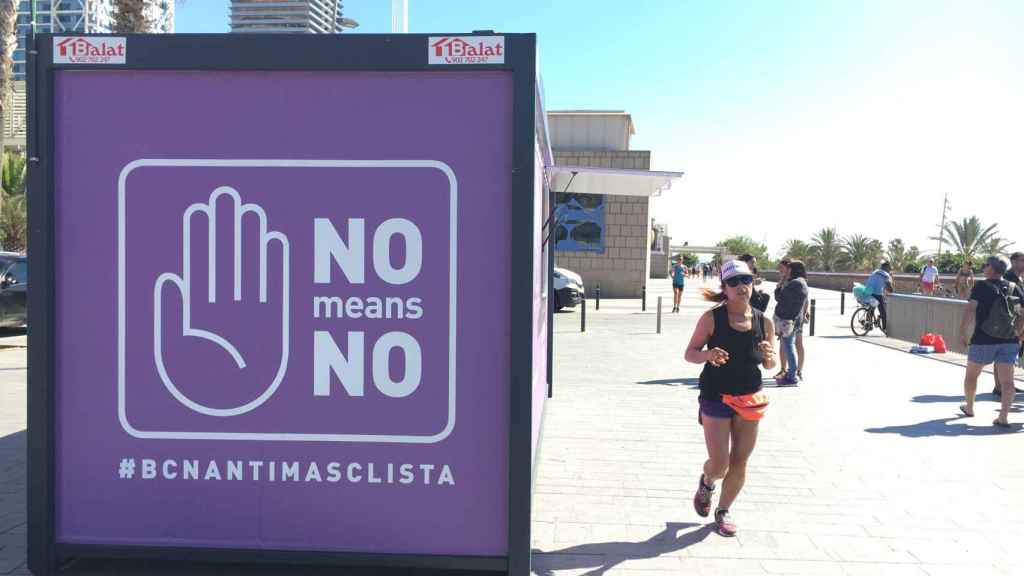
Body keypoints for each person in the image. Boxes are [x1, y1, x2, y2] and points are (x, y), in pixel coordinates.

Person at [685, 260, 776, 537]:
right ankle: (707, 481)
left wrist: (769, 356)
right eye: (733, 282)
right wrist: (708, 355)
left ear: (753, 283)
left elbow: (771, 365)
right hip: (715, 395)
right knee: (720, 464)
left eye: (746, 280)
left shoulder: (764, 321)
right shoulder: (712, 318)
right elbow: (690, 353)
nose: (741, 286)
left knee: (740, 461)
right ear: (724, 287)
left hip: (749, 397)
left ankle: (723, 511)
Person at [958, 256, 1023, 427]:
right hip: (1010, 340)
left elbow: (970, 310)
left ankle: (970, 407)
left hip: (983, 339)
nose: (983, 267)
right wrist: (1020, 334)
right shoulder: (1014, 287)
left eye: (985, 265)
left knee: (971, 376)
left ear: (992, 269)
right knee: (1008, 381)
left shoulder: (981, 286)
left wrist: (962, 332)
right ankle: (1003, 416)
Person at [993, 252, 1024, 396]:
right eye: (1022, 260)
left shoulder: (1018, 278)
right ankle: (999, 386)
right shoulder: (1009, 277)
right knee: (1003, 354)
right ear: (1013, 261)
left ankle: (1006, 384)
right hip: (1008, 323)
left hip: (1016, 321)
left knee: (1010, 355)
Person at [774, 260, 808, 385]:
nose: (786, 271)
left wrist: (779, 286)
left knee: (788, 347)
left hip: (787, 319)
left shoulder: (794, 283)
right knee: (790, 345)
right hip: (794, 318)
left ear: (793, 270)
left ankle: (791, 375)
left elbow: (779, 297)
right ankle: (792, 373)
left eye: (788, 269)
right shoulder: (802, 282)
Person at [864, 262, 894, 333]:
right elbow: (890, 289)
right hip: (877, 294)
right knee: (883, 312)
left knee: (871, 309)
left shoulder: (875, 272)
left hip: (868, 292)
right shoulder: (885, 275)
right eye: (889, 268)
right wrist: (891, 280)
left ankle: (868, 326)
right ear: (886, 268)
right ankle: (885, 328)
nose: (889, 270)